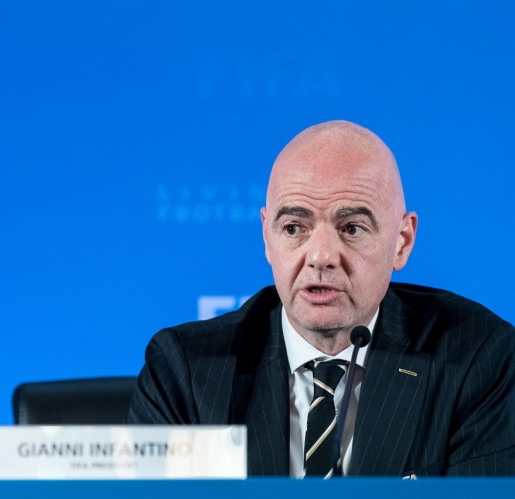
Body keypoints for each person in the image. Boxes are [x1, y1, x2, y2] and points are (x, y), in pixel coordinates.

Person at [127, 120, 515, 477]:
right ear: (267, 237)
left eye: (352, 228)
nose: (320, 256)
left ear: (402, 242)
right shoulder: (186, 370)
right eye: (294, 227)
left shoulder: (477, 359)